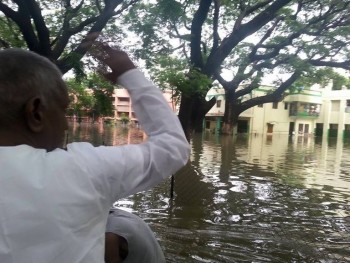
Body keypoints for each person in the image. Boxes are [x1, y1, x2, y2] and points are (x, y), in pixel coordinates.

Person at [0, 46, 190, 262]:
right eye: (62, 110)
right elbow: (173, 147)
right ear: (36, 112)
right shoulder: (81, 169)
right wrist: (130, 74)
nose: (64, 126)